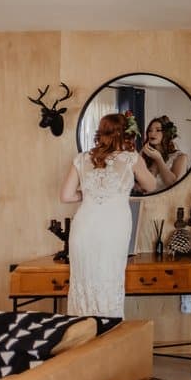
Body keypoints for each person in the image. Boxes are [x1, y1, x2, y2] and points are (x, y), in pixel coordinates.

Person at [60, 113, 156, 318]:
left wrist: (88, 194)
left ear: (101, 133)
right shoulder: (132, 158)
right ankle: (108, 335)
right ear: (127, 134)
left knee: (83, 281)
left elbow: (67, 196)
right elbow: (150, 185)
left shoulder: (82, 158)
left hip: (84, 227)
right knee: (109, 279)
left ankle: (81, 336)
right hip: (113, 228)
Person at [141, 115, 187, 190]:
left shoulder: (180, 157)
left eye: (158, 130)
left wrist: (159, 159)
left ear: (167, 134)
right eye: (150, 130)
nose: (152, 133)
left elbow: (173, 185)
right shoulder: (145, 155)